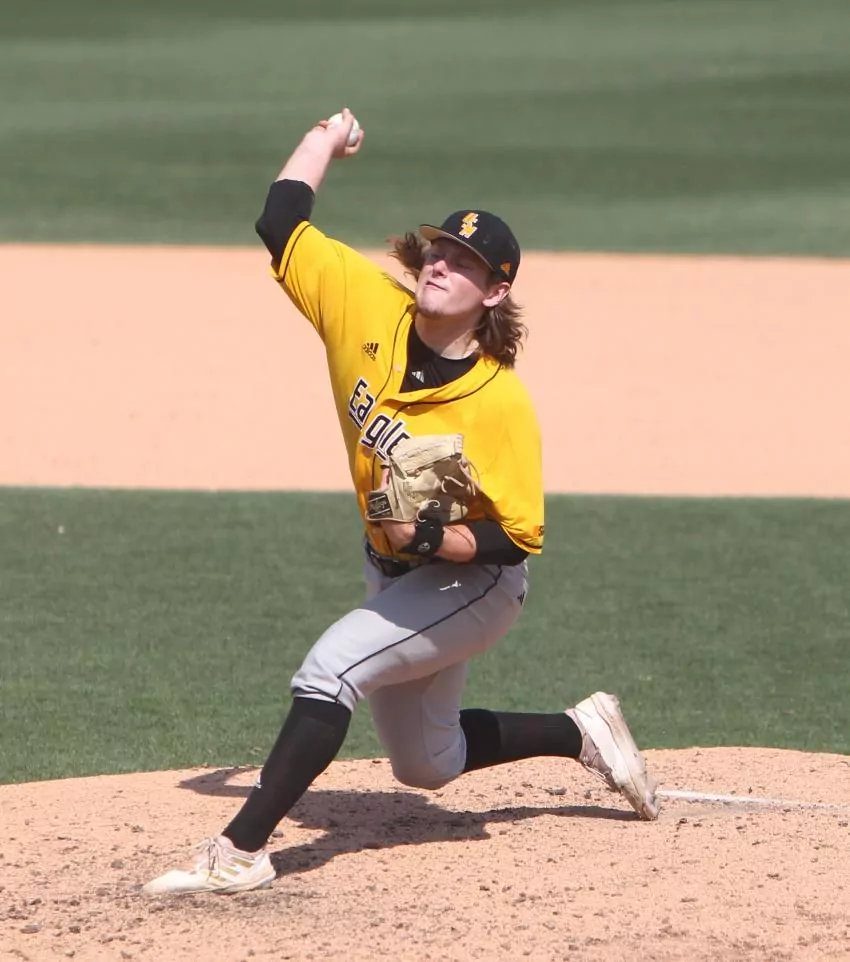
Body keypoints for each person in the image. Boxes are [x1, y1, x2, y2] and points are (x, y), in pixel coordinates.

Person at [143, 109, 659, 896]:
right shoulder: (363, 303)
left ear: (495, 291)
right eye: (441, 248)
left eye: (466, 261)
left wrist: (431, 539)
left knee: (331, 668)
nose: (443, 263)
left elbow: (519, 537)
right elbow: (281, 223)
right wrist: (325, 139)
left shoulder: (499, 403)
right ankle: (579, 730)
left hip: (474, 586)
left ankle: (240, 853)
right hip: (393, 569)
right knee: (426, 763)